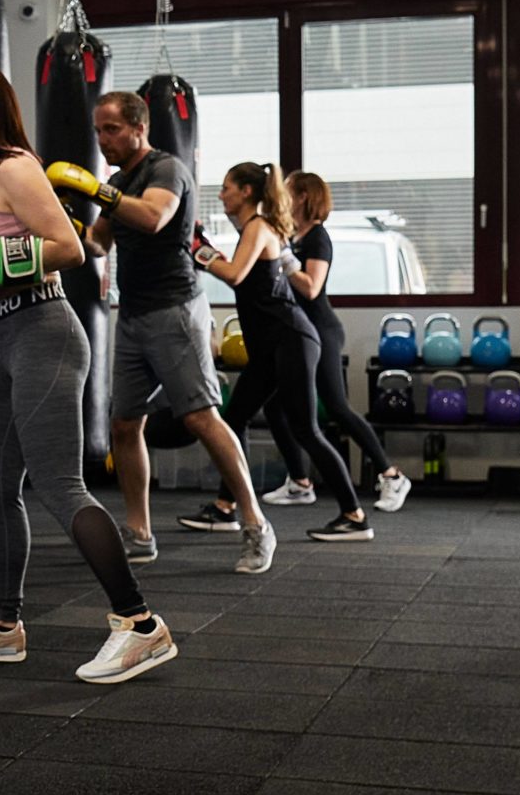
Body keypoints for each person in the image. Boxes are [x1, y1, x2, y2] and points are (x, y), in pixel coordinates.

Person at [0, 60, 177, 684]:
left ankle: (140, 625)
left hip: (46, 332)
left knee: (58, 484)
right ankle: (3, 625)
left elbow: (70, 248)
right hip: (13, 338)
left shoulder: (15, 168)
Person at [68, 91, 274, 573]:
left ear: (139, 127)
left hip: (175, 310)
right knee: (124, 424)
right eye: (98, 130)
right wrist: (66, 212)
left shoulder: (166, 170)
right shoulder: (117, 181)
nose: (102, 140)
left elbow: (155, 217)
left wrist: (101, 192)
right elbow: (98, 245)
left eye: (111, 129)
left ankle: (255, 523)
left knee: (201, 418)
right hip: (134, 315)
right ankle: (139, 533)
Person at [187, 163, 374, 541]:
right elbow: (236, 268)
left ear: (246, 193)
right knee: (233, 418)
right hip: (270, 347)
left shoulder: (258, 226)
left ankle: (354, 516)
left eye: (226, 188)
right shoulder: (252, 230)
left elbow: (235, 274)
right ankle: (225, 508)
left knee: (306, 428)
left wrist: (199, 254)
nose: (221, 194)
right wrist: (203, 246)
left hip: (291, 340)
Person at [255, 171, 412, 512]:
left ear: (301, 197)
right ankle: (299, 483)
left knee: (337, 407)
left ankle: (392, 475)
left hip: (322, 330)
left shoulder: (317, 239)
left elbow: (311, 287)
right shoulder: (293, 236)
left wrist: (283, 259)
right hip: (297, 333)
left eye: (287, 192)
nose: (282, 196)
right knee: (276, 406)